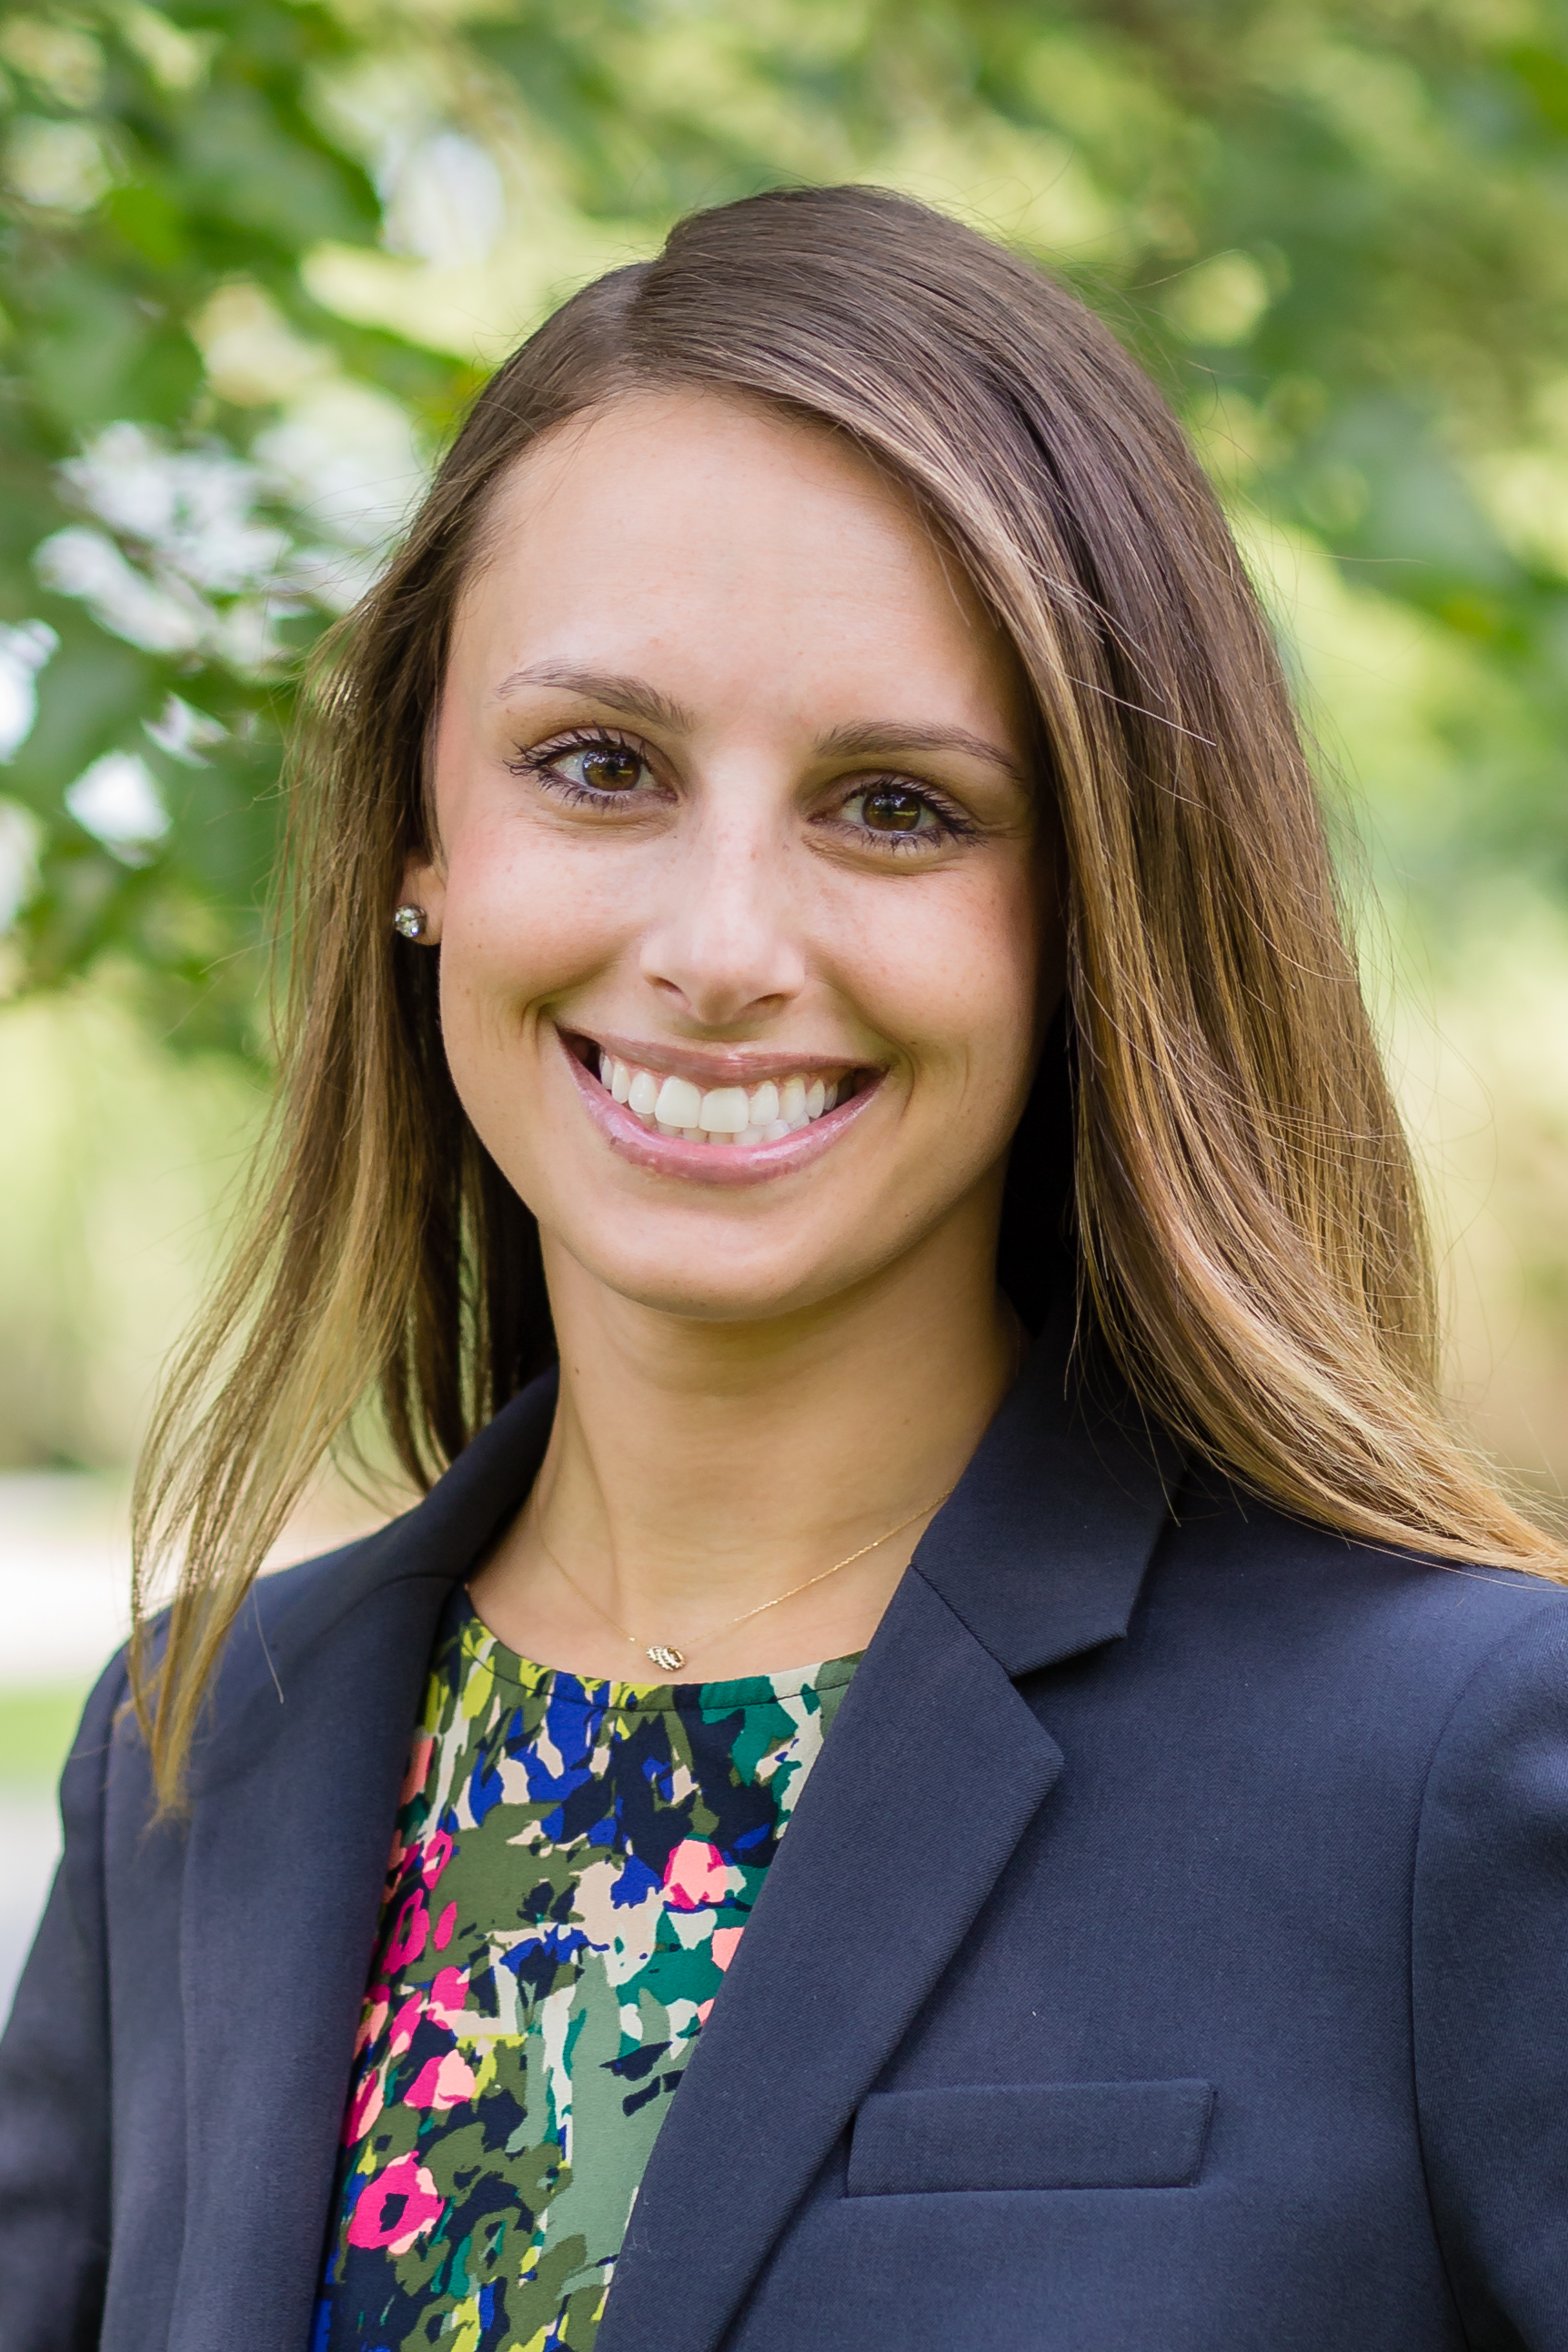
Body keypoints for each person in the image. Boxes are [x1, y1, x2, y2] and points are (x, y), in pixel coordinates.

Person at [3, 184, 1567, 2352]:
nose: (723, 949)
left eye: (897, 807)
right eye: (599, 767)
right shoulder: (193, 1757)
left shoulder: (1450, 1768)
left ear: (1097, 906)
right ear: (418, 846)